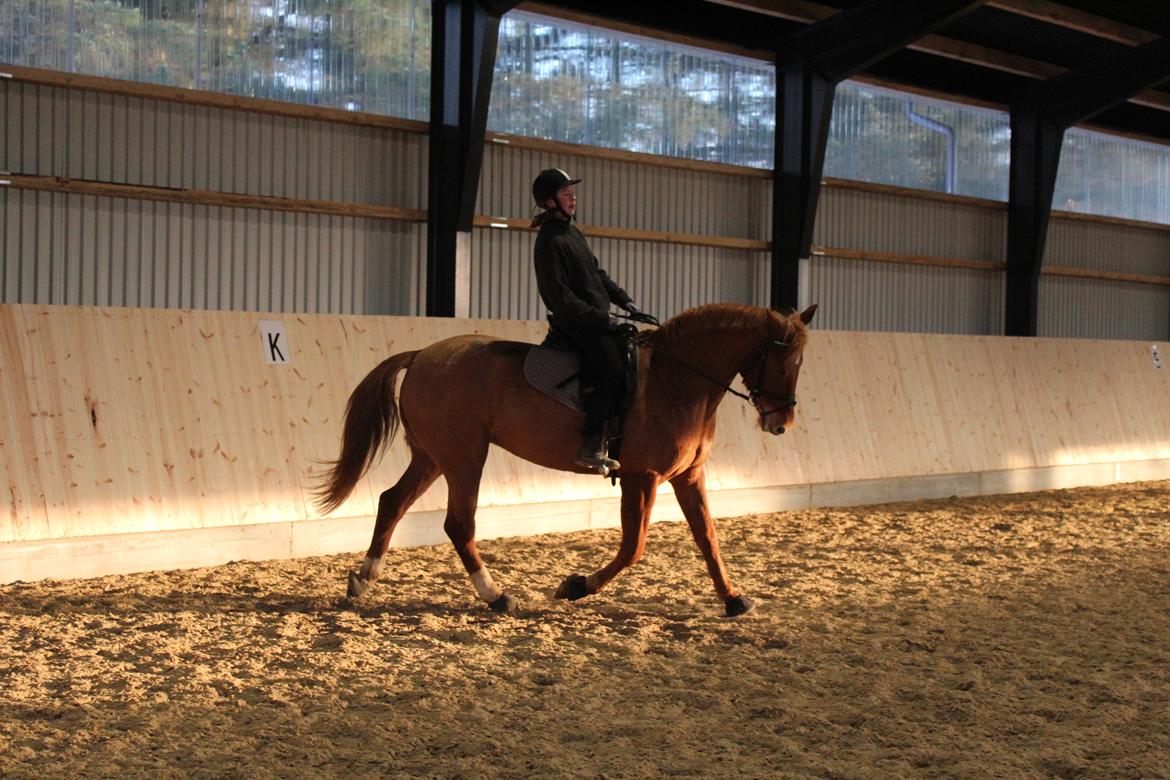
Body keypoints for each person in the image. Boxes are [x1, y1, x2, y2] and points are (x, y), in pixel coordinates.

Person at [531, 168, 641, 475]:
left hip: (594, 319)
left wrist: (625, 301)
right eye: (566, 193)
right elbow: (560, 298)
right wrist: (599, 317)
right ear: (550, 202)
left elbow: (596, 274)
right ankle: (590, 444)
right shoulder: (549, 242)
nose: (573, 197)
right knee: (613, 371)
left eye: (572, 192)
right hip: (576, 323)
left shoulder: (572, 233)